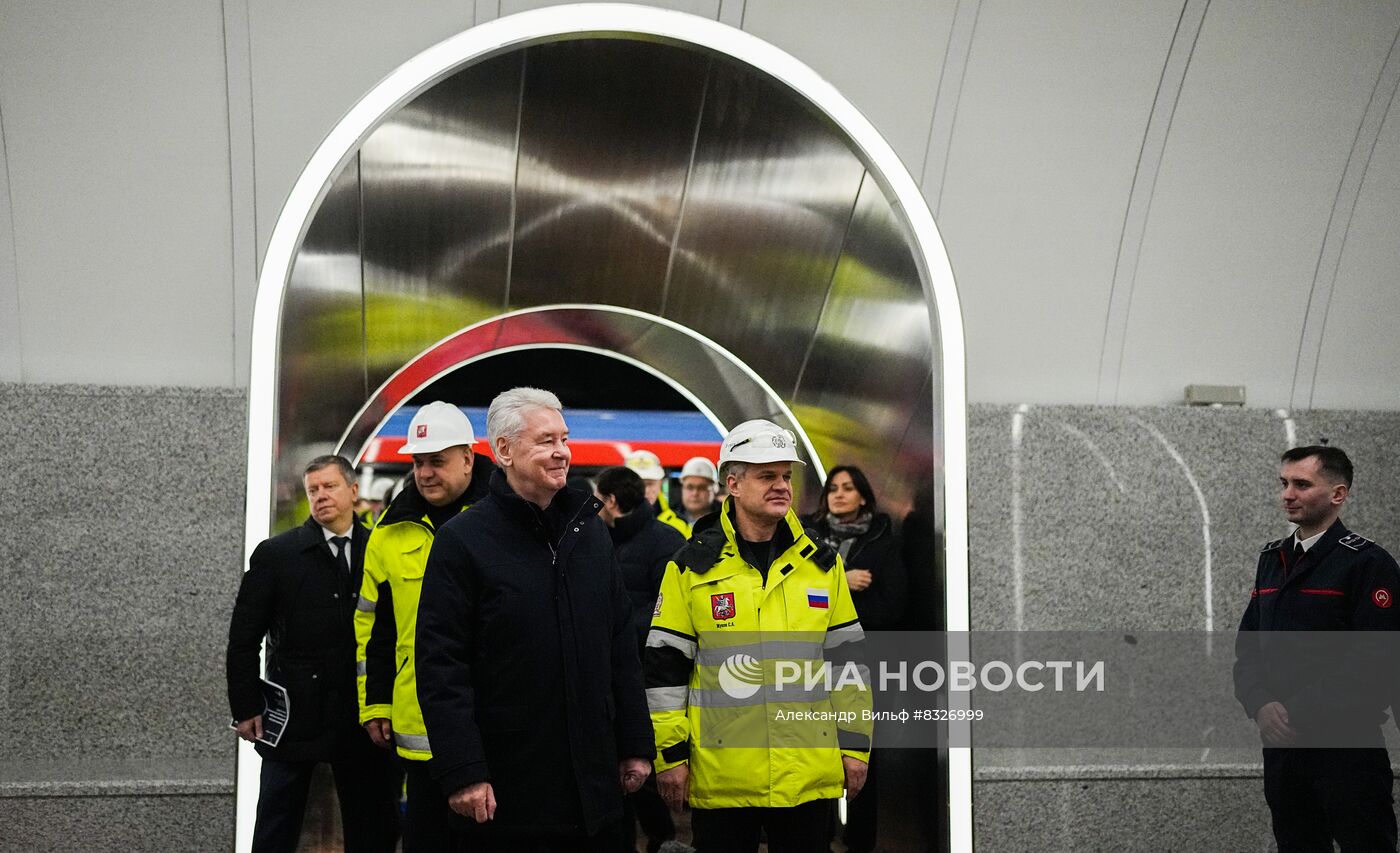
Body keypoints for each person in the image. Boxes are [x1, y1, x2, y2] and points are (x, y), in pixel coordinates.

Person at [415, 387, 654, 851]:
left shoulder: (590, 534)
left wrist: (636, 743)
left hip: (594, 788)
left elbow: (621, 647)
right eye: (546, 440)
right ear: (503, 450)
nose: (562, 452)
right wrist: (464, 771)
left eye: (564, 439)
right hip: (507, 794)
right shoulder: (462, 541)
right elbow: (441, 666)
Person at [646, 419, 872, 853]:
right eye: (767, 475)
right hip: (724, 774)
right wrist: (670, 756)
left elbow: (849, 667)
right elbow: (664, 670)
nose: (781, 486)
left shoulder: (822, 566)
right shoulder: (691, 567)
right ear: (733, 482)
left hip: (808, 773)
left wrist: (857, 748)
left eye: (786, 476)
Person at [226, 455, 401, 853]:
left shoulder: (381, 548)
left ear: (354, 491)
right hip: (293, 715)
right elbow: (242, 638)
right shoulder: (276, 554)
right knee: (276, 822)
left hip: (363, 716)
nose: (320, 496)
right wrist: (246, 705)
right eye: (313, 490)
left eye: (329, 487)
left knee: (372, 824)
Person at [1233, 445, 1400, 852]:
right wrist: (1260, 704)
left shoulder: (1367, 563)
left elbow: (1374, 662)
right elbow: (1249, 649)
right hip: (1284, 751)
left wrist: (1295, 711)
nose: (1287, 494)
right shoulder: (1272, 559)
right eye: (1284, 483)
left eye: (1302, 484)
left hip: (1345, 748)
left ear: (1338, 494)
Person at [355, 401, 487, 851]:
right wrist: (374, 704)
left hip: (497, 726)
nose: (425, 473)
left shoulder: (509, 517)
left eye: (438, 461)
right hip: (420, 731)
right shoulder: (388, 533)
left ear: (469, 458)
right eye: (418, 462)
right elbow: (374, 629)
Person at [802, 464, 908, 853]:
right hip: (815, 663)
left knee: (862, 753)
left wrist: (847, 615)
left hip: (867, 664)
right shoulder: (806, 538)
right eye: (833, 488)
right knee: (815, 748)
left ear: (863, 495)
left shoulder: (883, 539)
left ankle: (860, 841)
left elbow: (896, 605)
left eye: (848, 488)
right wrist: (841, 580)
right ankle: (819, 835)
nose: (839, 494)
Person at [595, 465, 687, 853]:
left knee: (641, 759)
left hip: (648, 671)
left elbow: (666, 608)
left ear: (612, 501)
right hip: (606, 670)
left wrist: (617, 630)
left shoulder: (664, 540)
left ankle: (661, 836)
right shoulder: (598, 538)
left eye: (599, 499)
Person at [626, 449, 689, 536]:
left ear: (660, 484)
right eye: (638, 484)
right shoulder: (610, 522)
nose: (645, 491)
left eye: (650, 484)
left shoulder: (679, 525)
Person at [676, 456, 722, 528]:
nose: (695, 493)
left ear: (715, 489)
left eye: (702, 487)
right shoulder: (668, 519)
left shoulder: (728, 519)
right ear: (682, 488)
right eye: (690, 487)